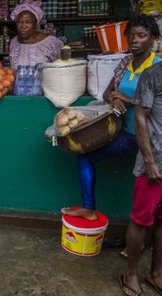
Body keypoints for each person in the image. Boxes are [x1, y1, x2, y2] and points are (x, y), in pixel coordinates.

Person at [63, 15, 162, 220]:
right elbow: (108, 92)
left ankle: (143, 237)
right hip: (128, 133)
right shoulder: (126, 62)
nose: (134, 40)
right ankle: (88, 208)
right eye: (131, 36)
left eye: (141, 36)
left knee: (149, 193)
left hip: (153, 138)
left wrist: (129, 99)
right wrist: (113, 99)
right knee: (84, 156)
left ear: (152, 39)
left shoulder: (158, 66)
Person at [120, 61, 162, 296]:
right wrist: (149, 161)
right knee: (140, 220)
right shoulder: (152, 75)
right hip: (154, 163)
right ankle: (131, 274)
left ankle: (156, 273)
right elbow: (141, 118)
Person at [8, 0, 63, 68]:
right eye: (19, 22)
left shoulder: (51, 42)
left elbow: (62, 69)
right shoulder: (14, 42)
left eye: (28, 22)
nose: (23, 26)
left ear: (36, 24)